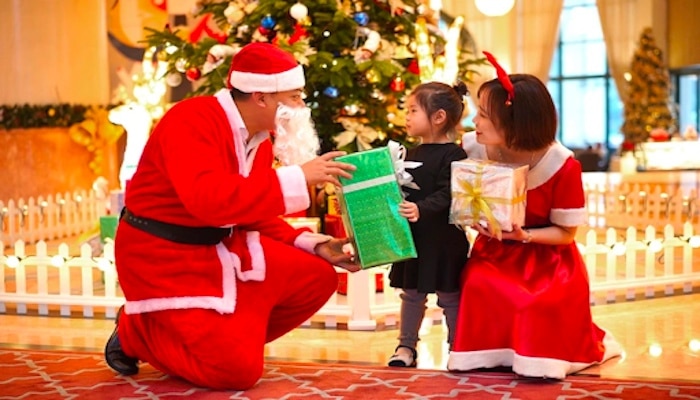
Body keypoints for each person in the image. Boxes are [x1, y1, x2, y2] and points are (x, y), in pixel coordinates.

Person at [104, 42, 360, 390]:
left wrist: (316, 245)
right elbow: (209, 202)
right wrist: (300, 177)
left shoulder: (260, 138)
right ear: (261, 97)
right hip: (163, 257)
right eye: (295, 96)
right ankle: (137, 332)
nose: (303, 107)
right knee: (235, 374)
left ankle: (227, 340)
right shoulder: (192, 119)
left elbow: (251, 210)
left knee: (318, 276)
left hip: (220, 250)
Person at [447, 52, 622, 379]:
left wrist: (524, 236)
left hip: (549, 260)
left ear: (514, 123)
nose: (475, 122)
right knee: (477, 283)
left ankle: (540, 356)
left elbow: (566, 234)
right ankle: (490, 355)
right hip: (493, 253)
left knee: (538, 302)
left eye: (483, 115)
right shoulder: (471, 147)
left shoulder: (561, 165)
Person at [387, 82, 471, 368]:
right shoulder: (408, 153)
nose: (406, 116)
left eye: (413, 110)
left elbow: (450, 193)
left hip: (444, 241)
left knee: (450, 296)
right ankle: (405, 347)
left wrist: (421, 208)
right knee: (411, 294)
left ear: (438, 117)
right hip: (415, 239)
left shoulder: (454, 155)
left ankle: (457, 348)